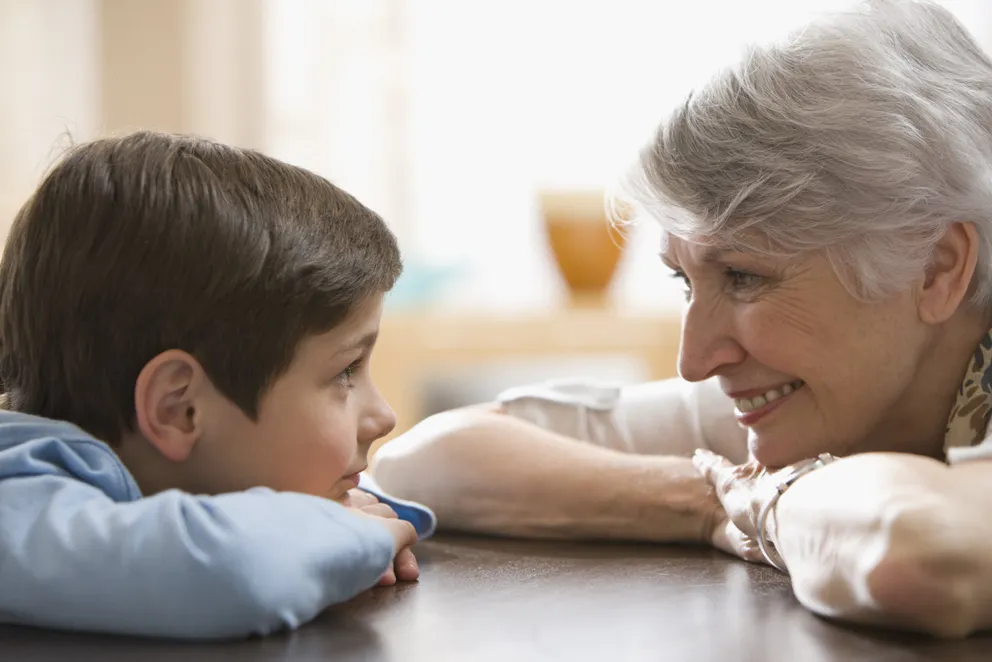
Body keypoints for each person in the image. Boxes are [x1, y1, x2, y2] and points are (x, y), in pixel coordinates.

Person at [371, 0, 992, 639]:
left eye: (745, 277)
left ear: (935, 268)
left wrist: (765, 502)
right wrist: (702, 502)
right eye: (683, 280)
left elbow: (921, 555)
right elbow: (424, 463)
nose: (693, 361)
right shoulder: (824, 391)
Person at [0, 131, 435, 640]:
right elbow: (234, 571)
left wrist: (356, 524)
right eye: (345, 371)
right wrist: (350, 536)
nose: (384, 416)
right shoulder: (17, 498)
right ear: (180, 409)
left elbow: (382, 513)